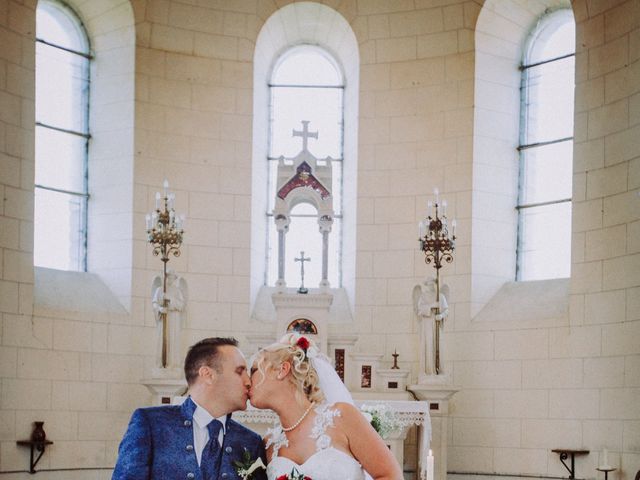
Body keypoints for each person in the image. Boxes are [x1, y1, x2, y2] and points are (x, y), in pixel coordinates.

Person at [249, 333, 403, 480]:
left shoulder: (341, 417)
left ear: (282, 370)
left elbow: (390, 475)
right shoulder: (269, 444)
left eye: (253, 370)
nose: (248, 381)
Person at [112, 337, 267, 480]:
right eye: (240, 372)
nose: (248, 381)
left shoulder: (251, 441)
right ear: (208, 374)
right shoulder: (151, 424)